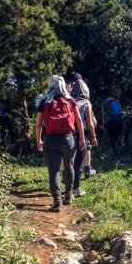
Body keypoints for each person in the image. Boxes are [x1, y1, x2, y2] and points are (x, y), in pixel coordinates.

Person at [35, 75, 86, 212]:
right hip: (68, 138)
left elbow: (38, 124)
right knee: (69, 167)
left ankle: (57, 201)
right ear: (64, 85)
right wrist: (81, 137)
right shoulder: (70, 100)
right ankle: (68, 196)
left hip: (50, 139)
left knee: (54, 171)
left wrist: (38, 139)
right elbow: (79, 121)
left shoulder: (45, 101)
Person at [65, 72, 98, 197]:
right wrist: (94, 136)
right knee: (78, 163)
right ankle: (76, 188)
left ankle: (67, 188)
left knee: (69, 162)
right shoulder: (85, 102)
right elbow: (89, 123)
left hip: (66, 134)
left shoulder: (68, 100)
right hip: (80, 134)